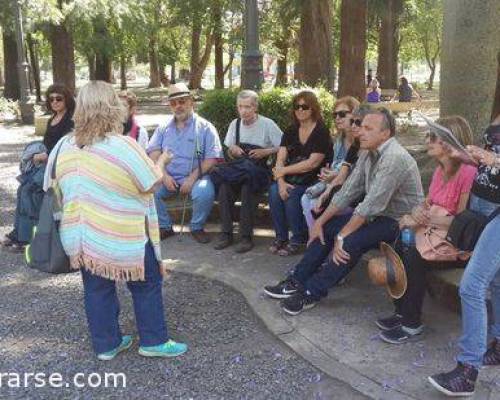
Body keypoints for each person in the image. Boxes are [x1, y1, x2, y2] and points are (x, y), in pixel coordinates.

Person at [43, 81, 187, 360]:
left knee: (97, 289)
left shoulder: (64, 145)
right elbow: (152, 183)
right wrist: (163, 162)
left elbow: (52, 184)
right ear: (112, 107)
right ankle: (154, 341)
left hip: (82, 234)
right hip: (123, 235)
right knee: (146, 283)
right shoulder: (123, 146)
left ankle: (106, 345)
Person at [264, 108, 424, 315]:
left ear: (385, 134)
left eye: (368, 128)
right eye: (361, 126)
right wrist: (320, 223)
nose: (360, 131)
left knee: (350, 242)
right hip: (377, 216)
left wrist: (342, 236)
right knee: (328, 227)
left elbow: (370, 205)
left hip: (400, 221)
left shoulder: (394, 158)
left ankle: (312, 292)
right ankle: (296, 281)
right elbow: (348, 191)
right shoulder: (368, 151)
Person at [376, 116, 477, 344]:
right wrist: (415, 214)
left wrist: (424, 218)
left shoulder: (468, 173)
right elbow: (427, 204)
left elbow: (460, 222)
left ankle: (411, 324)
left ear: (450, 142)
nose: (427, 140)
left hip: (457, 244)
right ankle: (401, 312)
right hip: (434, 237)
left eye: (433, 137)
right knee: (400, 242)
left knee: (413, 255)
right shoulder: (440, 171)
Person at [428, 116, 500, 397]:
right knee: (495, 282)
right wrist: (467, 158)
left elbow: (495, 162)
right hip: (487, 207)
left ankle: (468, 371)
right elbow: (488, 169)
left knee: (472, 286)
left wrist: (494, 159)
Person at [1, 83, 75, 252]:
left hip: (58, 165)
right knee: (22, 190)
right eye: (51, 99)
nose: (55, 102)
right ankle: (19, 233)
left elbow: (66, 146)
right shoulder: (51, 119)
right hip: (45, 163)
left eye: (59, 99)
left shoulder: (70, 120)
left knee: (30, 192)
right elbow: (46, 143)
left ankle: (29, 238)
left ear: (66, 100)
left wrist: (45, 156)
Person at [147, 83, 223, 244]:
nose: (178, 106)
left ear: (191, 102)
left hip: (196, 175)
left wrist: (192, 178)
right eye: (173, 103)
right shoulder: (163, 128)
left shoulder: (205, 128)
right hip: (168, 176)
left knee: (204, 192)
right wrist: (164, 176)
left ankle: (196, 227)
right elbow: (153, 151)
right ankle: (165, 226)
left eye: (182, 101)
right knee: (149, 189)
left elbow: (212, 158)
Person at [213, 90, 283, 253]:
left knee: (247, 189)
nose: (243, 111)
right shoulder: (234, 124)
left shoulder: (267, 124)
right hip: (239, 169)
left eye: (247, 107)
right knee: (224, 188)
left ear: (255, 107)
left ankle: (246, 237)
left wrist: (266, 152)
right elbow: (229, 151)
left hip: (259, 171)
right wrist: (233, 149)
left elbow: (285, 146)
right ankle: (226, 233)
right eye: (240, 107)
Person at [269, 90, 332, 256]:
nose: (300, 110)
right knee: (275, 192)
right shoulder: (290, 130)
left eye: (305, 106)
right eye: (297, 106)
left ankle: (298, 238)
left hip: (313, 178)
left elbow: (312, 164)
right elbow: (280, 157)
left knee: (293, 195)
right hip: (290, 177)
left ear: (313, 109)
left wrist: (282, 171)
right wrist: (281, 181)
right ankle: (281, 237)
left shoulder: (321, 131)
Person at [300, 96, 360, 229]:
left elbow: (359, 174)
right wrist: (327, 172)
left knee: (315, 203)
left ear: (355, 114)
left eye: (342, 114)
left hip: (353, 191)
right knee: (305, 199)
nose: (337, 118)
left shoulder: (362, 140)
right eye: (335, 114)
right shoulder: (339, 140)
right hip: (335, 186)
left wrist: (335, 176)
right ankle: (315, 239)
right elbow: (335, 166)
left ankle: (321, 242)